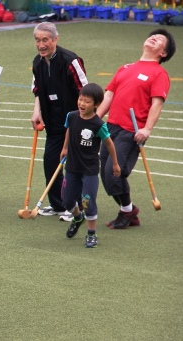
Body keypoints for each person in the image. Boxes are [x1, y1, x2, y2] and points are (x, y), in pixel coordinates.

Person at [97, 28, 176, 229]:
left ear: (163, 53)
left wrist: (147, 129)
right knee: (106, 176)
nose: (153, 38)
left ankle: (127, 212)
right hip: (110, 128)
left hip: (131, 131)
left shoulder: (159, 73)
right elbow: (109, 95)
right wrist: (94, 118)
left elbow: (157, 104)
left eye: (159, 40)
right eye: (153, 36)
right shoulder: (125, 67)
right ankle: (129, 211)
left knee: (114, 172)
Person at [31, 22, 88, 221]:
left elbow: (85, 91)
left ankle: (77, 208)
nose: (41, 45)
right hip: (53, 122)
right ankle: (58, 204)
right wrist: (36, 112)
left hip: (75, 122)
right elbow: (37, 90)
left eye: (45, 40)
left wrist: (82, 120)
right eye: (38, 40)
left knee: (74, 166)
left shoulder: (70, 60)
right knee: (50, 162)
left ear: (55, 39)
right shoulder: (37, 63)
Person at [60, 83, 121, 248]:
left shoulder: (98, 124)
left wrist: (115, 164)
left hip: (89, 170)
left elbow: (109, 144)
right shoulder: (71, 116)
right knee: (66, 200)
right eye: (80, 99)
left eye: (87, 101)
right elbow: (69, 130)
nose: (82, 104)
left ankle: (91, 234)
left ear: (96, 104)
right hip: (72, 166)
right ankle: (77, 217)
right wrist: (65, 148)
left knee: (87, 202)